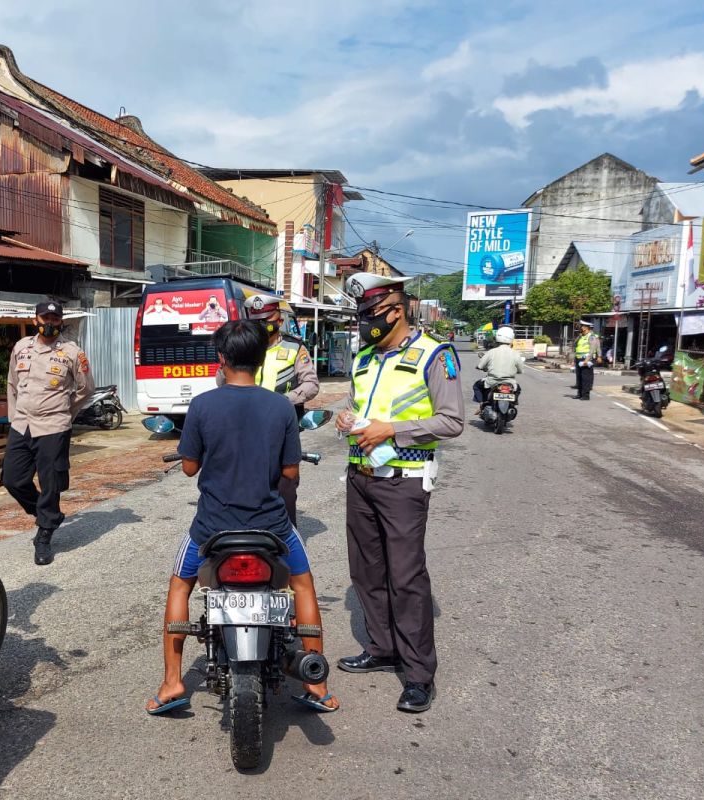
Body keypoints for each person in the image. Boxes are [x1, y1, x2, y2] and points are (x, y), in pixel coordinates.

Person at [146, 319, 338, 716]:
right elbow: (290, 473)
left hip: (212, 528)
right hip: (272, 527)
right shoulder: (281, 406)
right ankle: (316, 683)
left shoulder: (202, 405)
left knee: (180, 587)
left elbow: (188, 468)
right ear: (262, 357)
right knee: (302, 585)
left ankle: (171, 682)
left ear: (221, 358)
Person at [336, 273, 465, 714]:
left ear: (397, 308)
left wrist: (393, 429)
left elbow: (451, 421)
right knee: (366, 571)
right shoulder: (366, 358)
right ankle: (382, 647)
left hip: (405, 483)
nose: (365, 323)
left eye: (371, 314)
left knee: (406, 577)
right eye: (361, 316)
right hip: (360, 476)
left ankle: (418, 675)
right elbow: (364, 408)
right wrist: (348, 419)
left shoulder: (435, 354)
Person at [1, 300, 95, 565]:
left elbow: (85, 388)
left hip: (53, 425)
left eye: (55, 319)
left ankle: (44, 535)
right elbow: (12, 383)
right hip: (22, 424)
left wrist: (67, 411)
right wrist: (13, 416)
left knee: (50, 483)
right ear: (35, 320)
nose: (50, 323)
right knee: (12, 479)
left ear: (60, 321)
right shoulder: (21, 347)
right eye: (46, 318)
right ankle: (48, 515)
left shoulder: (71, 352)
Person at [220, 293, 319, 526]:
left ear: (279, 319)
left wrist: (283, 401)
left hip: (280, 429)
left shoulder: (295, 348)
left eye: (267, 319)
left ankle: (288, 545)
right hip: (243, 428)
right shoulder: (243, 346)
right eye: (256, 321)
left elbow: (311, 385)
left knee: (285, 490)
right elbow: (222, 380)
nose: (262, 325)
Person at [472, 325, 523, 413]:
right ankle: (513, 402)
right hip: (510, 383)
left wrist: (479, 367)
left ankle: (481, 403)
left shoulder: (491, 352)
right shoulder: (516, 354)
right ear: (511, 338)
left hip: (492, 382)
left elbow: (480, 365)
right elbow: (520, 370)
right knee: (518, 389)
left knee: (477, 385)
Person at [574, 320, 601, 400]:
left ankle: (585, 395)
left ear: (586, 327)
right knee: (579, 377)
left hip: (586, 359)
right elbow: (576, 346)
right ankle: (579, 394)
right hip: (578, 358)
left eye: (581, 326)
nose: (580, 328)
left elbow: (592, 349)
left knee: (586, 377)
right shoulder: (581, 336)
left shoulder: (592, 336)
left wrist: (587, 359)